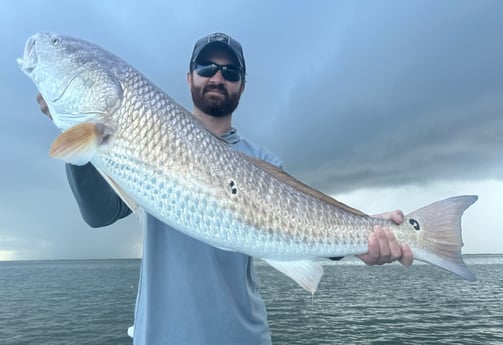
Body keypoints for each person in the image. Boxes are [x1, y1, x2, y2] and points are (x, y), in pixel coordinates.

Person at [36, 32, 413, 345]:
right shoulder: (142, 138)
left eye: (230, 71)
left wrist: (368, 234)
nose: (217, 76)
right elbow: (98, 214)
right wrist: (75, 135)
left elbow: (302, 226)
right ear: (189, 78)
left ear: (242, 86)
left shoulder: (263, 161)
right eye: (206, 67)